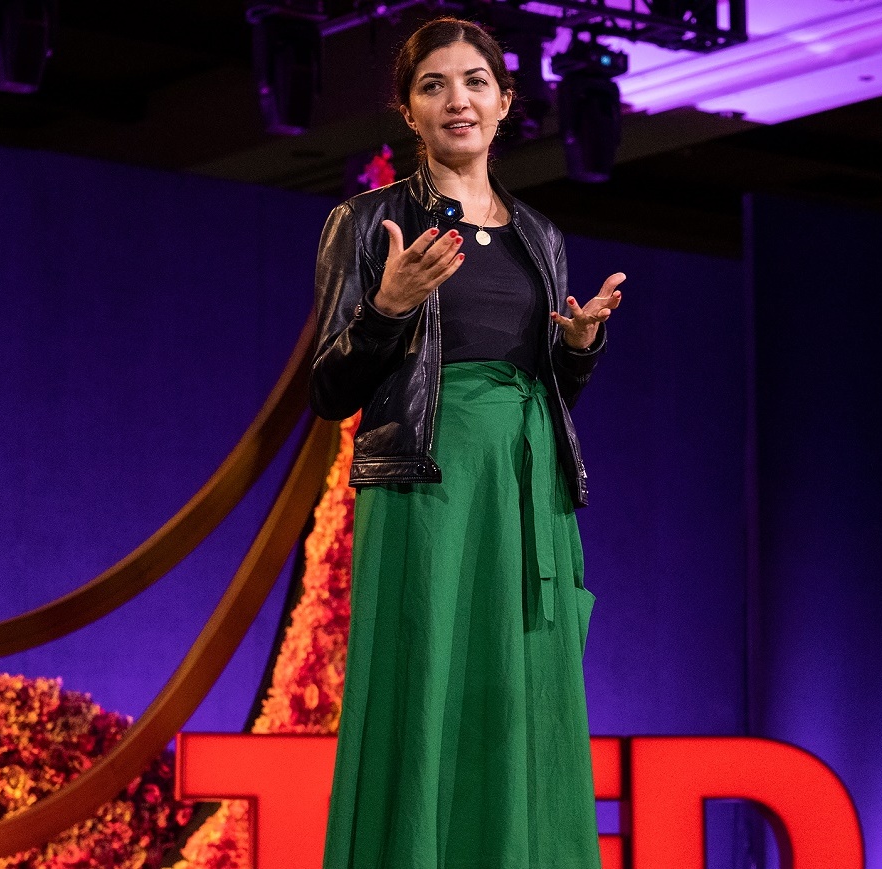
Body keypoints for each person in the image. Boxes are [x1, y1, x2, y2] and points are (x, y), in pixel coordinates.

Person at [309, 16, 625, 869]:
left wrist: (577, 352)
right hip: (427, 484)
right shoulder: (368, 221)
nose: (458, 100)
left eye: (475, 82)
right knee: (424, 686)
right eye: (434, 85)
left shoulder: (539, 235)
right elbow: (328, 388)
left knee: (520, 698)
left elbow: (546, 388)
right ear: (408, 112)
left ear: (505, 102)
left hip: (527, 490)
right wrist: (389, 305)